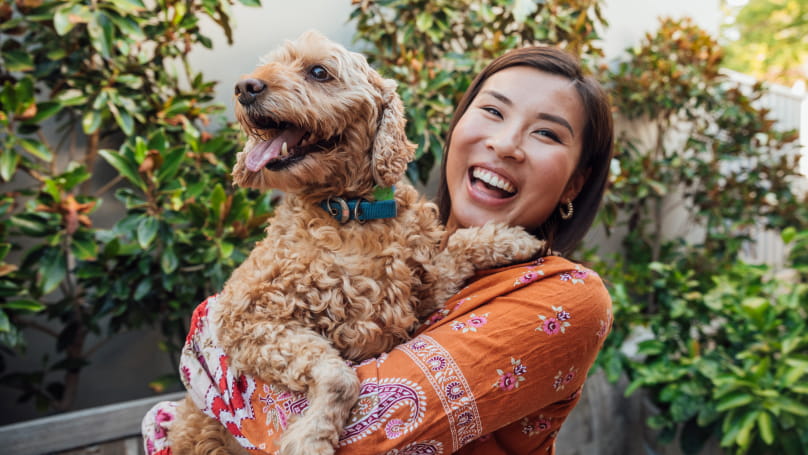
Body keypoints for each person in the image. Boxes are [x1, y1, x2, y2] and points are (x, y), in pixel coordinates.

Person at [143, 45, 614, 455]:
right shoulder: (396, 235)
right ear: (457, 127)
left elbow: (368, 438)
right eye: (492, 111)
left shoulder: (567, 297)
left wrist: (213, 347)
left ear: (575, 181)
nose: (505, 143)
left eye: (547, 133)